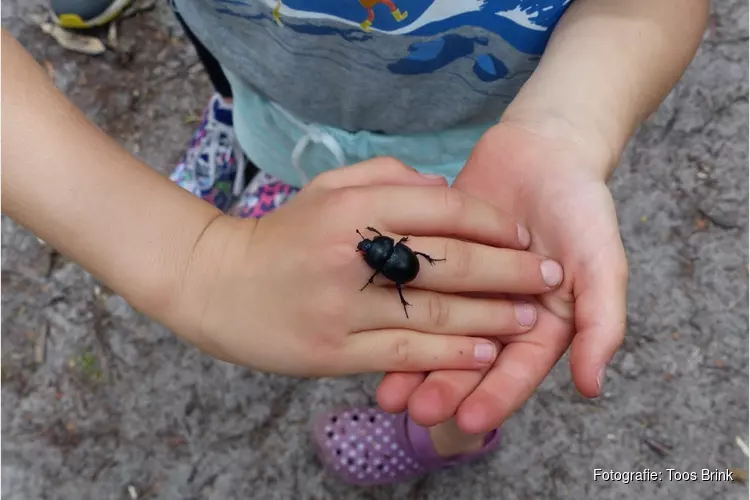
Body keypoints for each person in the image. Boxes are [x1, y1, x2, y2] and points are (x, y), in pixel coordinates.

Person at [16, 0, 708, 486]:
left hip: (489, 139)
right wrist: (204, 261)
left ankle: (444, 440)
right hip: (270, 83)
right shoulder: (379, 247)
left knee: (472, 335)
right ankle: (259, 144)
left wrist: (564, 130)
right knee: (286, 147)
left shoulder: (400, 245)